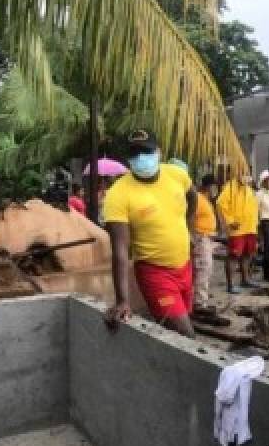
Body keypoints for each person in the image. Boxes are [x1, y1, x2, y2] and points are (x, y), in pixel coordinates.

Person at [102, 129, 197, 337]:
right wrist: (123, 301)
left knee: (180, 327)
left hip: (185, 266)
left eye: (146, 152)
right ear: (128, 159)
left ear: (159, 152)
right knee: (186, 335)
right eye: (135, 154)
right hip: (155, 273)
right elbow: (120, 250)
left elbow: (192, 196)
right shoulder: (118, 194)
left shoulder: (176, 175)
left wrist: (188, 229)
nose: (141, 158)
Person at [216, 169, 260, 292]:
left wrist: (256, 225)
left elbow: (254, 207)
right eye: (244, 173)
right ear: (238, 174)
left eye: (247, 174)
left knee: (247, 254)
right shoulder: (230, 187)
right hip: (237, 229)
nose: (246, 176)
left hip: (250, 227)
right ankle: (230, 286)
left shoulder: (249, 189)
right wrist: (230, 221)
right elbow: (220, 204)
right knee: (233, 256)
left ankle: (245, 280)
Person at [191, 173, 220, 317]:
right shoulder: (198, 198)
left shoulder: (206, 200)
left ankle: (201, 300)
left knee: (206, 270)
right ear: (208, 186)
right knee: (203, 268)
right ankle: (199, 303)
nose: (216, 189)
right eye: (214, 186)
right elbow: (190, 219)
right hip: (200, 237)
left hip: (207, 237)